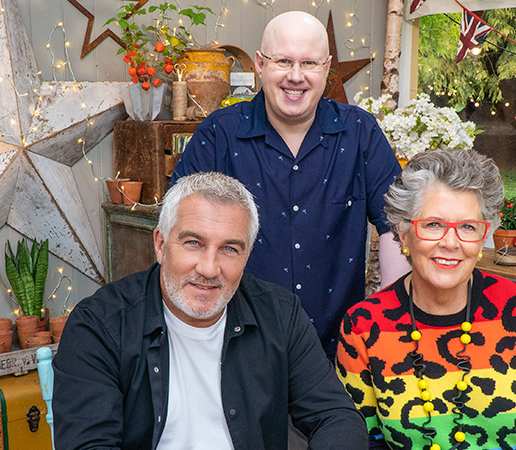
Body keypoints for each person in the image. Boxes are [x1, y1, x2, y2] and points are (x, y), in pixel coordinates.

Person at [53, 172, 367, 449]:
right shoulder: (99, 325)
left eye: (229, 249)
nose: (209, 268)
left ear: (247, 256)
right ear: (161, 244)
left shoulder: (280, 314)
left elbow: (336, 417)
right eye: (193, 243)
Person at [171, 11, 407, 358]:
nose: (295, 77)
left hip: (339, 351)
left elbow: (395, 225)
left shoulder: (360, 133)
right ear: (260, 64)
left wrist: (391, 320)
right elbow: (180, 232)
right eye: (283, 61)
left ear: (327, 68)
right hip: (235, 349)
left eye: (308, 63)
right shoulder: (218, 134)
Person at [336, 149, 516, 450]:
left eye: (468, 227)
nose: (450, 243)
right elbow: (362, 440)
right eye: (433, 225)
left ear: (484, 237)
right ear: (404, 234)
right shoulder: (364, 325)